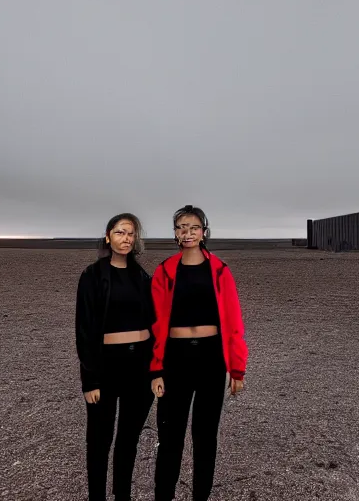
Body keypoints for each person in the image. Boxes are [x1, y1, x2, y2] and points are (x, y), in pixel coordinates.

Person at [150, 205, 249, 501]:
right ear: (175, 234)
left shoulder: (219, 270)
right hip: (174, 360)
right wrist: (155, 369)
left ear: (204, 232)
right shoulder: (165, 271)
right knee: (170, 438)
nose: (187, 232)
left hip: (210, 360)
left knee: (205, 439)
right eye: (181, 227)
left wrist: (237, 367)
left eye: (193, 227)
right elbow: (154, 323)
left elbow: (233, 321)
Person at [75, 213, 155, 501]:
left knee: (128, 441)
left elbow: (154, 323)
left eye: (131, 233)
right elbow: (84, 330)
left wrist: (157, 371)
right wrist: (89, 380)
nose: (126, 238)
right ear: (108, 236)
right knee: (99, 441)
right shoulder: (92, 275)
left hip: (140, 368)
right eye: (120, 232)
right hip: (106, 368)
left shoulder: (142, 276)